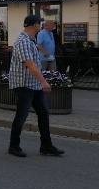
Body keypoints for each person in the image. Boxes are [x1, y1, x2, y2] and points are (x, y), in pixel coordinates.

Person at [8, 15, 65, 158]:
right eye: (39, 24)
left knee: (44, 114)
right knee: (21, 116)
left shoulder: (30, 40)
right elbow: (31, 65)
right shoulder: (23, 42)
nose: (40, 26)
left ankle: (46, 145)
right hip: (24, 85)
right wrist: (43, 81)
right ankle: (13, 146)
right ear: (35, 25)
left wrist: (39, 82)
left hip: (33, 84)